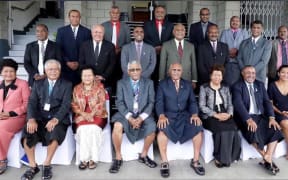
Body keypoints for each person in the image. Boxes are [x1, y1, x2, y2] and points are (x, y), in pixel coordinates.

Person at [20, 60, 72, 180]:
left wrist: (56, 119)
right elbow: (32, 103)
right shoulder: (38, 84)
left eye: (56, 69)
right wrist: (31, 118)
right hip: (40, 117)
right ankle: (33, 166)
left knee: (55, 133)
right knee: (27, 133)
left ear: (60, 71)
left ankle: (47, 164)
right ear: (45, 71)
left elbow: (66, 104)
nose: (53, 72)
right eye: (50, 69)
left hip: (57, 118)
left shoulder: (67, 84)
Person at [155, 63, 205, 177]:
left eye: (178, 70)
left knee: (198, 128)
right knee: (162, 129)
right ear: (169, 71)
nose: (176, 72)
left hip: (184, 116)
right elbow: (159, 102)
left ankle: (195, 161)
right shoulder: (163, 84)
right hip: (169, 116)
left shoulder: (187, 84)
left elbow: (192, 102)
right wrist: (161, 115)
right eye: (174, 70)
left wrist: (194, 114)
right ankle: (164, 162)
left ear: (182, 72)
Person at [232, 65, 283, 175]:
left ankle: (267, 157)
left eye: (253, 73)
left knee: (275, 129)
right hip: (245, 117)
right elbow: (238, 104)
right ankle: (266, 158)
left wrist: (272, 117)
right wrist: (248, 119)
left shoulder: (260, 85)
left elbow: (267, 102)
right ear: (242, 74)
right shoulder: (237, 86)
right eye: (248, 72)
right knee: (252, 130)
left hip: (261, 115)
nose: (251, 75)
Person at [109, 61, 157, 173]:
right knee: (117, 126)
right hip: (126, 114)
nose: (135, 72)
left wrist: (141, 118)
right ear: (128, 71)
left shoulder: (149, 83)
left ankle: (144, 155)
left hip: (143, 114)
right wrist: (130, 118)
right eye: (132, 70)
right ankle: (118, 157)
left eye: (137, 69)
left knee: (152, 127)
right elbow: (119, 102)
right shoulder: (121, 83)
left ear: (141, 70)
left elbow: (151, 102)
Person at [198, 64, 241, 168]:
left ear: (222, 77)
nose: (217, 77)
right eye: (215, 75)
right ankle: (219, 158)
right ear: (210, 76)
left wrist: (229, 114)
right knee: (221, 130)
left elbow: (230, 104)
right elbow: (202, 106)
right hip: (209, 115)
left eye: (219, 75)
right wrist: (216, 115)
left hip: (225, 113)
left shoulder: (226, 88)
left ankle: (230, 156)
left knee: (233, 128)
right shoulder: (204, 88)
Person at [72, 65, 107, 170]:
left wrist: (91, 115)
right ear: (81, 77)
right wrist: (84, 114)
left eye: (89, 75)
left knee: (93, 129)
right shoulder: (76, 88)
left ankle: (93, 159)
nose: (87, 77)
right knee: (83, 130)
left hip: (98, 115)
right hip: (81, 114)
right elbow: (74, 105)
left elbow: (101, 103)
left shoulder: (100, 87)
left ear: (94, 76)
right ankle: (84, 159)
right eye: (85, 75)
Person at [0, 59, 30, 175]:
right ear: (1, 72)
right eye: (5, 71)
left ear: (16, 72)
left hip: (17, 117)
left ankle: (2, 159)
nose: (8, 74)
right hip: (2, 116)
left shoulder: (23, 84)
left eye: (11, 71)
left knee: (1, 128)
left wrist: (10, 113)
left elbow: (27, 104)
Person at [56, 9, 91, 86]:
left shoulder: (87, 32)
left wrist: (79, 62)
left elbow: (88, 50)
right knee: (66, 91)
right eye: (73, 16)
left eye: (77, 17)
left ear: (80, 18)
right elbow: (58, 49)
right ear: (69, 17)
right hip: (66, 67)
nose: (75, 18)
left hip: (81, 68)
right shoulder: (61, 31)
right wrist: (67, 62)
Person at [102, 5, 131, 92]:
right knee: (108, 77)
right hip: (107, 56)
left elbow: (128, 42)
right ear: (110, 14)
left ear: (119, 14)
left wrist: (120, 49)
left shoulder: (125, 27)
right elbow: (101, 42)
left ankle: (119, 95)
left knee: (119, 76)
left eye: (117, 13)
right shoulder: (103, 26)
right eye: (113, 13)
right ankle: (108, 98)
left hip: (121, 56)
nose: (115, 15)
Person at [159, 23, 197, 89]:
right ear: (173, 32)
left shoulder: (191, 46)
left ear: (185, 32)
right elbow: (162, 64)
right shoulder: (166, 45)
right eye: (177, 30)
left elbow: (193, 63)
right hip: (170, 78)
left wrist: (194, 80)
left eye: (182, 30)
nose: (180, 32)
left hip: (187, 78)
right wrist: (161, 80)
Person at [143, 5, 174, 86]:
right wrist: (154, 48)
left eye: (162, 12)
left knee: (164, 74)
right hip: (151, 53)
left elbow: (171, 38)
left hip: (166, 55)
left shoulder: (170, 25)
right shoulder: (147, 24)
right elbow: (145, 38)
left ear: (165, 13)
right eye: (157, 12)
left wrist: (163, 47)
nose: (159, 14)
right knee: (152, 74)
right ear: (154, 13)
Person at [220, 16, 249, 86]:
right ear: (230, 22)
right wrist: (228, 52)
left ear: (240, 23)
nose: (235, 22)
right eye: (233, 21)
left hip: (241, 62)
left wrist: (237, 52)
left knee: (240, 84)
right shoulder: (225, 32)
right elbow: (221, 46)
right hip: (228, 62)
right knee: (228, 83)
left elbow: (246, 46)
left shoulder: (244, 32)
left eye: (237, 21)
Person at [267, 65, 288, 159]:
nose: (285, 74)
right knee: (285, 123)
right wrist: (280, 112)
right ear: (279, 73)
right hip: (278, 113)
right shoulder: (272, 85)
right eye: (283, 72)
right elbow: (270, 104)